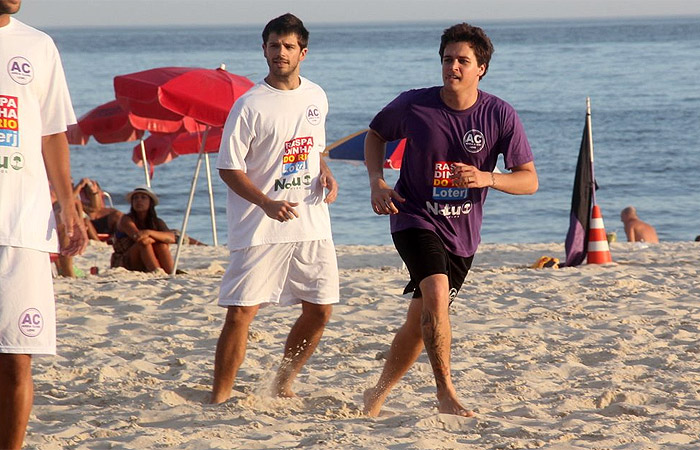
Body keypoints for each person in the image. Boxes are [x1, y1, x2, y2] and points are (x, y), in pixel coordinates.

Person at [363, 23, 538, 417]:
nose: (452, 67)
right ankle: (445, 393)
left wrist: (487, 177)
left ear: (482, 68)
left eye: (462, 60)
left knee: (420, 321)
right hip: (413, 217)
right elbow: (375, 135)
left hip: (462, 233)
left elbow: (529, 180)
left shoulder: (499, 114)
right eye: (447, 59)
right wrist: (377, 182)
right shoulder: (414, 105)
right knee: (437, 295)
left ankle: (376, 394)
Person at [211, 13, 339, 404]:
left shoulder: (316, 95)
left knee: (320, 310)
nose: (280, 53)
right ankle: (219, 396)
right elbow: (229, 169)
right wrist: (265, 202)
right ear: (263, 49)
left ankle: (282, 382)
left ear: (303, 52)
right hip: (259, 227)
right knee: (241, 313)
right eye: (273, 46)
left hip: (311, 223)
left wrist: (326, 172)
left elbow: (314, 148)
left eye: (287, 46)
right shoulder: (249, 105)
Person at [0, 2, 88, 448]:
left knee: (17, 359)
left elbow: (52, 134)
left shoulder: (37, 45)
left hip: (22, 228)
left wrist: (68, 207)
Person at [110, 185, 176, 274]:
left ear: (150, 202)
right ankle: (156, 271)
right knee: (144, 243)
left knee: (162, 245)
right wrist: (156, 237)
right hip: (126, 261)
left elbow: (171, 238)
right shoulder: (126, 219)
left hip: (146, 258)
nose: (139, 200)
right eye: (135, 198)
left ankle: (170, 272)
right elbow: (139, 237)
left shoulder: (157, 221)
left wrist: (149, 232)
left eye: (143, 197)